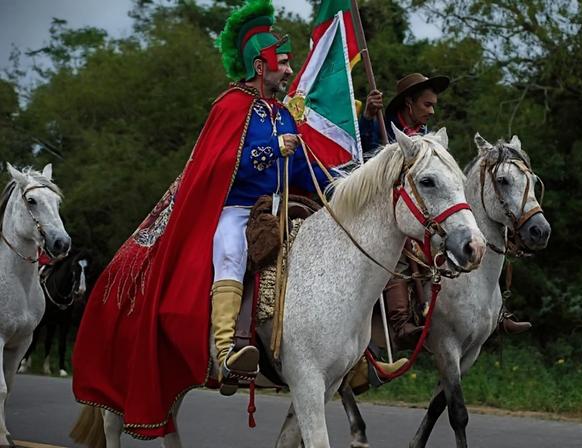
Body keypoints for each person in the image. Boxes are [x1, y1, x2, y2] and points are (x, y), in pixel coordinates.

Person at [72, 0, 406, 439]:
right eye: (282, 62)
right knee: (230, 250)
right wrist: (272, 150)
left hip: (280, 209)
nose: (289, 71)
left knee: (330, 258)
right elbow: (219, 163)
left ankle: (353, 354)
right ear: (259, 64)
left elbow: (307, 167)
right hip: (235, 209)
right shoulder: (229, 106)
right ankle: (226, 348)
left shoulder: (282, 113)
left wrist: (347, 185)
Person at [359, 74, 532, 347]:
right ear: (409, 103)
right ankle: (401, 322)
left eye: (434, 105)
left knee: (477, 242)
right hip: (390, 213)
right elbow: (365, 153)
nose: (432, 111)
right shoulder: (385, 127)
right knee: (399, 254)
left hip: (426, 212)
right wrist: (369, 117)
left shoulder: (428, 136)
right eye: (427, 104)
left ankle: (493, 311)